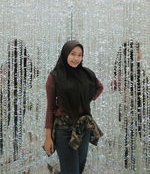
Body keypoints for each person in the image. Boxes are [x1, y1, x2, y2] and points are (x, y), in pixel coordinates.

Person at [43, 40, 104, 174]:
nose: (76, 58)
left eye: (80, 55)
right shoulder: (54, 77)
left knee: (78, 169)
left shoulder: (86, 73)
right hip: (64, 130)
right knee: (71, 171)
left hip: (84, 128)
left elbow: (100, 87)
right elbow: (50, 108)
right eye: (73, 54)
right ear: (65, 54)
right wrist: (48, 137)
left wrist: (85, 100)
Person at [111, 40, 150, 171]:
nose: (140, 53)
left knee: (133, 142)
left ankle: (132, 168)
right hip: (135, 111)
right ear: (132, 53)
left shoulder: (131, 68)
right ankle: (133, 168)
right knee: (137, 143)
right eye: (138, 50)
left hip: (138, 111)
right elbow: (126, 92)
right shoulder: (130, 70)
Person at [0, 38, 39, 162]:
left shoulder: (12, 64)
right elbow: (36, 73)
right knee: (15, 126)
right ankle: (14, 152)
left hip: (10, 100)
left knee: (6, 125)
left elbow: (35, 73)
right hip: (15, 99)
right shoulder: (23, 64)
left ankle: (6, 152)